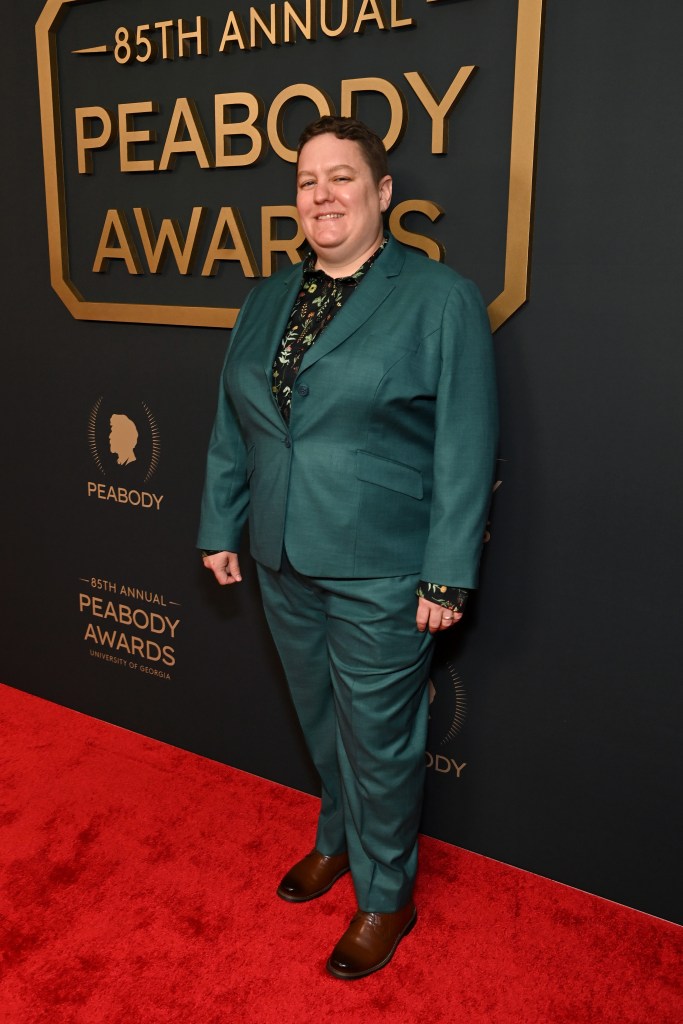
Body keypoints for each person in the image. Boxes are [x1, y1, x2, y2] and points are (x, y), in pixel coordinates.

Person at [198, 116, 498, 979]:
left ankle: (384, 894)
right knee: (321, 720)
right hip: (281, 553)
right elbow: (234, 425)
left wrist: (447, 571)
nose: (321, 194)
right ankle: (337, 841)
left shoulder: (438, 296)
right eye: (306, 181)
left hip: (383, 563)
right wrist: (222, 523)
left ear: (383, 193)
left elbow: (466, 445)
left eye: (341, 177)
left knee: (379, 738)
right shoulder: (265, 300)